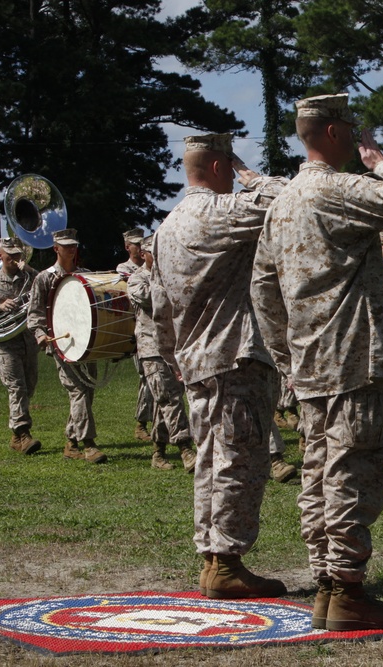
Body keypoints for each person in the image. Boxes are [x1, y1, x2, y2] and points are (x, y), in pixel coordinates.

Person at [250, 93, 383, 632]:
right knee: (354, 472)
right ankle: (349, 593)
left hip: (310, 362)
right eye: (353, 130)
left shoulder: (283, 201)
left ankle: (327, 587)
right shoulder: (336, 187)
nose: (359, 141)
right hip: (353, 356)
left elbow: (262, 287)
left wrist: (286, 354)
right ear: (333, 133)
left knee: (318, 474)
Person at [151, 132, 289, 600]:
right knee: (239, 460)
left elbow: (159, 302)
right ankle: (227, 561)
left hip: (196, 360)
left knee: (211, 461)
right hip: (233, 355)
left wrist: (173, 354)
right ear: (216, 167)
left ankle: (212, 559)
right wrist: (252, 175)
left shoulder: (167, 226)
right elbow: (285, 198)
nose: (234, 176)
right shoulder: (218, 213)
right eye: (229, 167)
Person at [27, 228, 107, 464]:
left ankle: (71, 442)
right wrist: (41, 334)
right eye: (67, 246)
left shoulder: (85, 275)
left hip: (86, 344)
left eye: (74, 245)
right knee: (79, 390)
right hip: (62, 345)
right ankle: (89, 445)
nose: (72, 249)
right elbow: (34, 315)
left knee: (87, 391)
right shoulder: (45, 278)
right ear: (56, 248)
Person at [126, 235, 196, 472]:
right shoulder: (137, 280)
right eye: (152, 253)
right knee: (169, 398)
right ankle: (186, 448)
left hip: (174, 348)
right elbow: (153, 300)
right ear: (144, 255)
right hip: (151, 349)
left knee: (164, 401)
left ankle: (159, 451)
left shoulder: (170, 274)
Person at [0, 237, 41, 455]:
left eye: (17, 254)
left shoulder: (30, 277)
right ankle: (23, 433)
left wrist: (29, 268)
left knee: (29, 386)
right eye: (9, 254)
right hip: (5, 345)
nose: (14, 258)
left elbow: (46, 285)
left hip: (28, 342)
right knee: (17, 387)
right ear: (0, 255)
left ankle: (15, 436)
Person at [117, 227, 155, 442]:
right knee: (146, 377)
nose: (139, 247)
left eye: (142, 244)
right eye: (135, 244)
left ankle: (153, 422)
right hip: (137, 330)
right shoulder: (124, 269)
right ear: (127, 246)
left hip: (155, 329)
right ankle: (141, 423)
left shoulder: (154, 267)